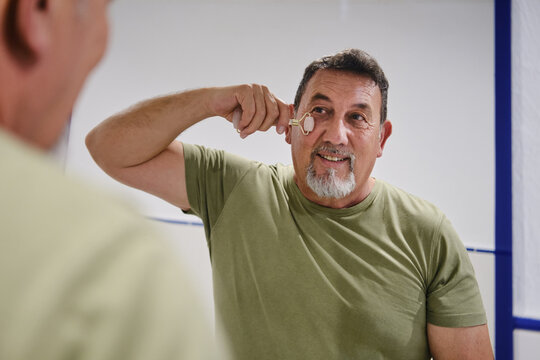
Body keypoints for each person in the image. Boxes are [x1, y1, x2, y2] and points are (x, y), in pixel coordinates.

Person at [86, 48, 494, 359]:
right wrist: (211, 101)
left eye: (357, 117)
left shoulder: (428, 233)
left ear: (382, 138)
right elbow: (109, 147)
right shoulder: (235, 188)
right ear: (291, 125)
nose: (336, 134)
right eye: (320, 110)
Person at [0, 1, 227, 359]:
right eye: (100, 13)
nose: (101, 48)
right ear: (36, 13)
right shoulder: (111, 268)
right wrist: (211, 100)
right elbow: (108, 146)